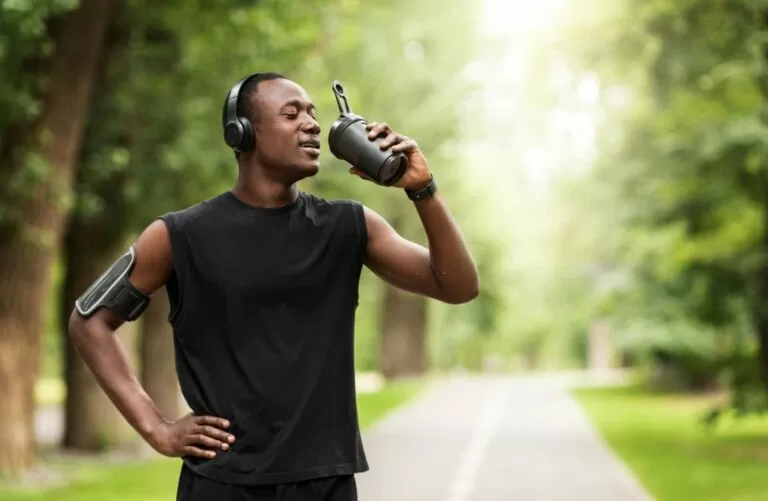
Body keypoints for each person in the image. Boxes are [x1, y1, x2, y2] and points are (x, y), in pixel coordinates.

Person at [68, 71, 479, 501]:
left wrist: (422, 189)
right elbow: (89, 322)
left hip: (326, 484)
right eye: (291, 113)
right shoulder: (178, 235)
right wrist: (156, 429)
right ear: (242, 133)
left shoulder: (349, 227)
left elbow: (458, 285)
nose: (312, 124)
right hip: (221, 485)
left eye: (313, 114)